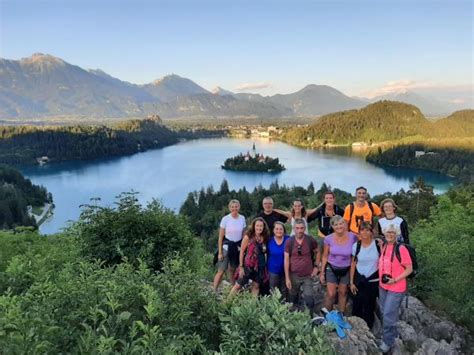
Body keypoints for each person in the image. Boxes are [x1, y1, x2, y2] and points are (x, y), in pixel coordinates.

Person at [378, 224, 413, 353]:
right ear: (384, 233)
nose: (390, 234)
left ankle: (388, 342)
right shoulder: (384, 246)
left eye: (392, 232)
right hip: (383, 285)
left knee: (388, 313)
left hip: (396, 287)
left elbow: (409, 269)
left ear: (397, 234)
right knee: (384, 312)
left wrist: (395, 279)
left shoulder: (401, 248)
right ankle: (389, 335)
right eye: (388, 232)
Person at [320, 215, 357, 313]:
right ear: (332, 226)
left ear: (345, 224)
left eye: (341, 223)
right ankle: (326, 316)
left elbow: (363, 242)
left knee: (343, 293)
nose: (339, 226)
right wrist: (322, 272)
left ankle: (341, 316)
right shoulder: (328, 239)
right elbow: (324, 256)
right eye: (336, 225)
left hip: (346, 268)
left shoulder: (353, 237)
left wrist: (378, 241)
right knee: (331, 294)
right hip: (332, 267)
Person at [284, 219, 320, 315]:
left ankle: (309, 318)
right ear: (293, 228)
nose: (299, 230)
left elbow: (318, 251)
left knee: (309, 299)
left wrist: (316, 267)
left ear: (305, 228)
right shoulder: (289, 241)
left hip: (307, 275)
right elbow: (286, 260)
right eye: (297, 228)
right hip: (294, 275)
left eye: (302, 228)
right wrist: (287, 278)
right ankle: (292, 319)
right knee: (292, 298)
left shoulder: (310, 240)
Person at [349, 222, 380, 329]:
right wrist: (351, 282)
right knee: (357, 304)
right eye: (362, 230)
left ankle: (368, 328)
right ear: (359, 232)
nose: (365, 232)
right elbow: (353, 263)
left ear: (372, 232)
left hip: (373, 280)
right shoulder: (356, 246)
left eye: (367, 230)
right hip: (358, 280)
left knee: (369, 306)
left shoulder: (378, 245)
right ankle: (356, 328)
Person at [230, 217, 270, 296]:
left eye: (261, 226)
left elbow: (265, 252)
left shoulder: (265, 237)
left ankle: (252, 306)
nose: (259, 228)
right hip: (248, 266)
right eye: (257, 226)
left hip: (260, 266)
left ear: (264, 227)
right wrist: (241, 267)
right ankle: (226, 304)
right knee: (238, 285)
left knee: (256, 286)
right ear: (254, 226)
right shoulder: (248, 237)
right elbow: (241, 251)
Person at [213, 199, 246, 292]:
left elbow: (244, 235)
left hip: (237, 247)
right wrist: (220, 252)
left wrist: (243, 247)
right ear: (229, 208)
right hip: (226, 247)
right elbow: (220, 237)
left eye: (236, 206)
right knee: (221, 270)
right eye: (232, 207)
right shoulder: (225, 219)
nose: (234, 208)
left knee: (232, 269)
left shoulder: (242, 218)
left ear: (239, 207)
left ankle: (232, 290)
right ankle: (214, 290)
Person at [267, 221, 290, 297]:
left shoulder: (288, 240)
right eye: (276, 229)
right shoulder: (269, 241)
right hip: (273, 270)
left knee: (284, 290)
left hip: (285, 270)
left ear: (284, 230)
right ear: (273, 230)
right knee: (273, 290)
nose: (279, 231)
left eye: (281, 229)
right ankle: (273, 307)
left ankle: (283, 307)